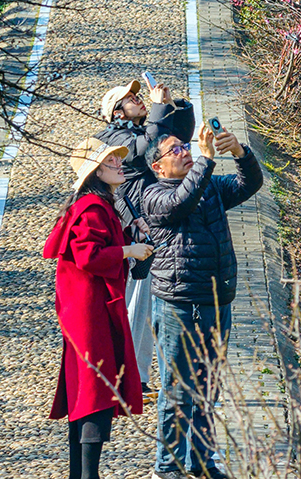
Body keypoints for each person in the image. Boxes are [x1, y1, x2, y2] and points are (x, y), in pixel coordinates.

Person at [140, 122, 264, 479]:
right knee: (177, 389)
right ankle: (168, 467)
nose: (185, 152)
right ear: (158, 166)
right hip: (178, 304)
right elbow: (181, 202)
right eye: (175, 150)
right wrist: (206, 161)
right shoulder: (154, 196)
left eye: (185, 146)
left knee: (209, 387)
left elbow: (249, 184)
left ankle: (203, 460)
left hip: (217, 301)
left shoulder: (209, 186)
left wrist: (239, 152)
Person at [44, 136, 154, 479]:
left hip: (87, 310)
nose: (119, 164)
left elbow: (101, 246)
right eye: (110, 161)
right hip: (91, 313)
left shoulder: (98, 205)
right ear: (95, 172)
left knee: (87, 389)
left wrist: (129, 235)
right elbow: (88, 255)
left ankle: (81, 474)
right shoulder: (92, 208)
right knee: (95, 390)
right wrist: (127, 251)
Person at [100, 78, 195, 391]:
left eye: (138, 96)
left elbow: (181, 135)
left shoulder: (148, 127)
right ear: (117, 112)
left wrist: (172, 105)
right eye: (130, 98)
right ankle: (125, 376)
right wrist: (157, 110)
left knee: (147, 304)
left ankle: (136, 377)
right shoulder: (113, 138)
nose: (138, 99)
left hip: (156, 225)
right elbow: (144, 151)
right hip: (135, 230)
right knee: (136, 304)